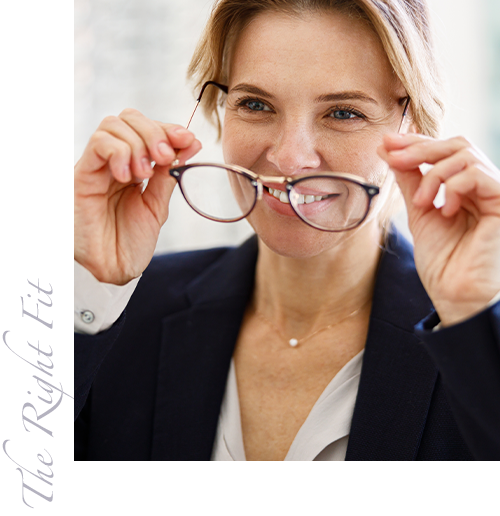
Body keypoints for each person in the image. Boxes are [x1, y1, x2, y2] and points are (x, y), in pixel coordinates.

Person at [74, 0, 500, 461]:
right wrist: (87, 284)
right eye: (255, 104)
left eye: (343, 113)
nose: (290, 158)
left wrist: (474, 320)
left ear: (413, 125)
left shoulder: (471, 340)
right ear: (218, 110)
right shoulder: (122, 310)